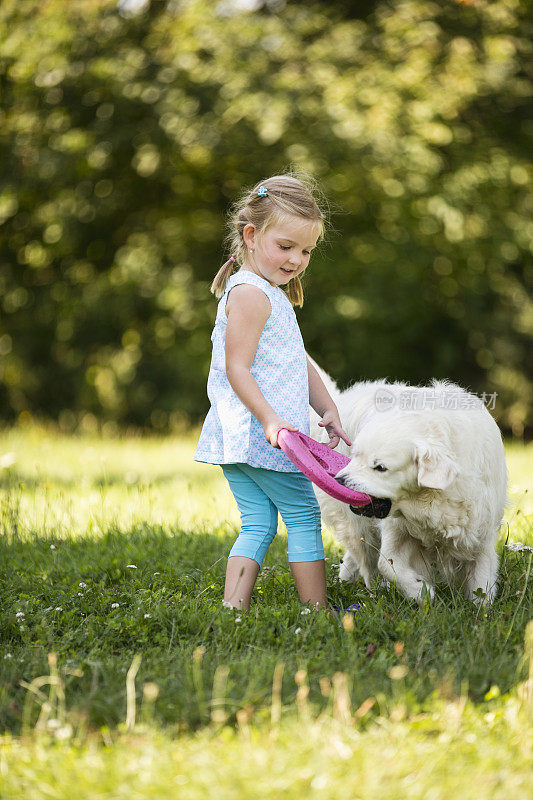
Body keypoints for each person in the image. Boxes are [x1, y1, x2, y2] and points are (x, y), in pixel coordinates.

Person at [194, 174, 351, 613]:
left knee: (259, 522)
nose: (297, 259)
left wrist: (328, 407)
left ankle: (233, 609)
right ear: (251, 235)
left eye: (306, 251)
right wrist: (270, 420)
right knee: (303, 514)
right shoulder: (251, 295)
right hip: (264, 435)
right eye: (286, 246)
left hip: (242, 436)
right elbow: (235, 367)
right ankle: (317, 612)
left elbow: (298, 363)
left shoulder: (267, 293)